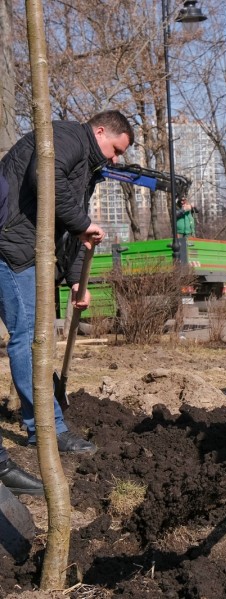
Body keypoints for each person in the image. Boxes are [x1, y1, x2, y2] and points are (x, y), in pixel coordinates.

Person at [0, 110, 133, 493]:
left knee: (32, 337)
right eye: (115, 150)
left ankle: (41, 423)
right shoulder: (67, 137)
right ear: (100, 131)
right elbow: (44, 179)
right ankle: (48, 429)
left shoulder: (86, 166)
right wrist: (81, 223)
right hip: (10, 246)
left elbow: (73, 227)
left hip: (21, 248)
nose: (115, 160)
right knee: (29, 338)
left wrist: (77, 280)